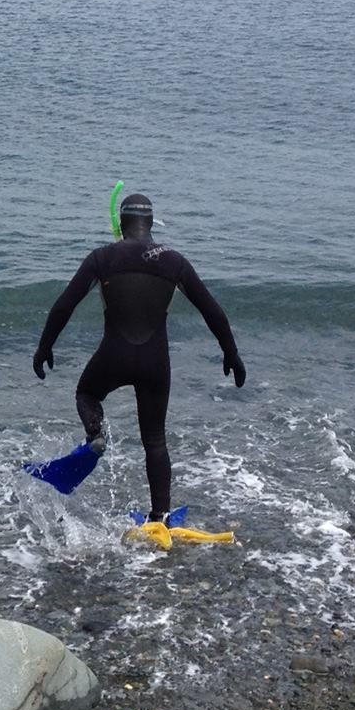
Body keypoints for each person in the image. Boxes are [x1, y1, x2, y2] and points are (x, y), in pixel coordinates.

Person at [31, 194, 245, 521]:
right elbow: (212, 310)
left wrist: (45, 346)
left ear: (120, 224)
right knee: (155, 440)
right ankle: (160, 518)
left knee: (87, 393)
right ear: (151, 223)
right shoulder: (174, 261)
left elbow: (64, 305)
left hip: (113, 355)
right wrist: (231, 353)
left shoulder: (101, 258)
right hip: (155, 362)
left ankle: (96, 433)